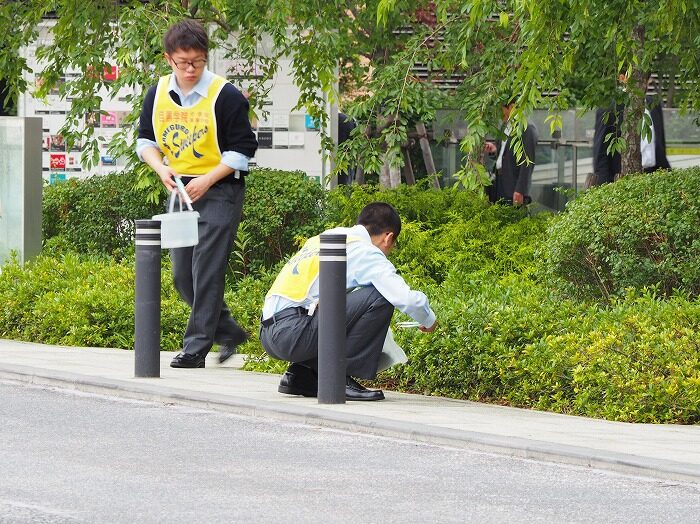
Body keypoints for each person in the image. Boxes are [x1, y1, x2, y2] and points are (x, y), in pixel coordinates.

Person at [136, 19, 258, 368]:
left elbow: (243, 148)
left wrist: (208, 179)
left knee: (207, 268)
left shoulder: (226, 95)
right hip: (179, 191)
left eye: (198, 62)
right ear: (168, 58)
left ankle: (196, 347)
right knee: (181, 275)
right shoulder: (158, 92)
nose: (191, 69)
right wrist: (161, 169)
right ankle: (228, 331)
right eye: (183, 62)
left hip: (220, 189)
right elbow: (146, 140)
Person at [260, 202, 437, 401]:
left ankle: (301, 375)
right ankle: (338, 377)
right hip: (293, 333)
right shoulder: (365, 251)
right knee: (380, 296)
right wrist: (429, 320)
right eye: (393, 245)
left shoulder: (326, 237)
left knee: (335, 299)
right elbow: (405, 298)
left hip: (269, 333)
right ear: (388, 237)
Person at [484, 100, 537, 205]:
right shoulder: (505, 126)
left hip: (513, 185)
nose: (499, 113)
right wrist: (494, 150)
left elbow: (528, 162)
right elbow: (504, 153)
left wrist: (520, 190)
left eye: (501, 109)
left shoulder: (527, 128)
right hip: (499, 182)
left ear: (511, 107)